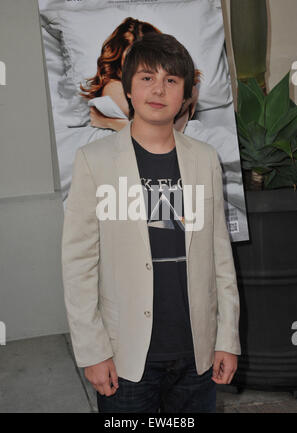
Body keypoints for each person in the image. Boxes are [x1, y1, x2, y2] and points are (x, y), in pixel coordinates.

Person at [62, 32, 241, 413]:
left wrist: (227, 338)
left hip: (197, 351)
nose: (158, 90)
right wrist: (92, 351)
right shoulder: (95, 161)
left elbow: (220, 257)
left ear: (185, 95)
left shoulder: (206, 158)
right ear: (128, 89)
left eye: (171, 81)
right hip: (126, 356)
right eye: (146, 78)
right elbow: (78, 265)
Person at [80, 17, 200, 134]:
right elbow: (157, 133)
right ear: (118, 61)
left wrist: (110, 123)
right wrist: (186, 106)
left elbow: (171, 133)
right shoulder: (113, 87)